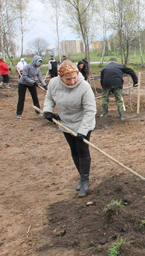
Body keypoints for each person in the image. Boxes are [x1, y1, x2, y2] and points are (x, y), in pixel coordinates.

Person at [43, 60, 96, 198]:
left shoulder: (84, 87)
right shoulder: (54, 84)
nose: (72, 82)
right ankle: (81, 176)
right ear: (60, 77)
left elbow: (90, 110)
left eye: (74, 78)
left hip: (83, 121)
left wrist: (83, 131)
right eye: (68, 79)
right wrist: (47, 111)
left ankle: (85, 181)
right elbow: (49, 98)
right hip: (65, 123)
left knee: (82, 148)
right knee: (73, 149)